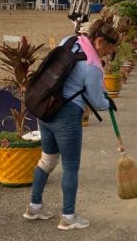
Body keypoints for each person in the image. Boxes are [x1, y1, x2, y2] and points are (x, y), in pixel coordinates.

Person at [25, 19, 119, 230]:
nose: (108, 54)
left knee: (47, 159)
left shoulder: (69, 40)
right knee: (70, 167)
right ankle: (68, 217)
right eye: (110, 48)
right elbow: (96, 101)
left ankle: (35, 206)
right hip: (66, 115)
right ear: (101, 41)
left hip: (45, 108)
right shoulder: (92, 66)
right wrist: (109, 102)